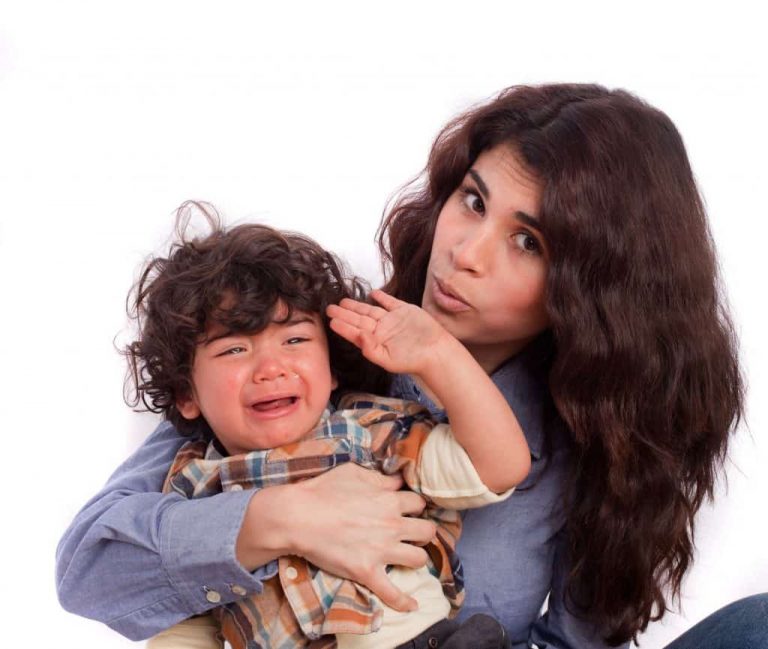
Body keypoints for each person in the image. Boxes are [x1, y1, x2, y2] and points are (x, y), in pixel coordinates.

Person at [56, 84, 766, 649]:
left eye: (528, 241)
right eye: (473, 201)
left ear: (593, 290)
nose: (466, 252)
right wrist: (280, 518)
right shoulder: (304, 351)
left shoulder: (590, 438)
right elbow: (89, 566)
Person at [123, 207, 530, 649]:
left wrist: (439, 354)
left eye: (295, 340)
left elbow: (499, 466)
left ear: (332, 367)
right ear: (186, 393)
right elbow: (183, 618)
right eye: (234, 349)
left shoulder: (370, 431)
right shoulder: (193, 492)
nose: (271, 368)